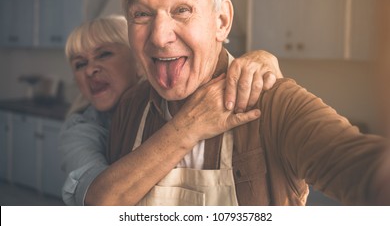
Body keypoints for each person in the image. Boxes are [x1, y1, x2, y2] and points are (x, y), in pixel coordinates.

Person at [107, 0, 390, 206]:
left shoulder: (274, 103)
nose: (159, 37)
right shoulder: (131, 105)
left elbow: (361, 168)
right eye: (141, 14)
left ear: (222, 21)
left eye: (182, 10)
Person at [59, 15, 283, 205]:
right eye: (79, 64)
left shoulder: (175, 101)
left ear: (140, 59)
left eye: (103, 54)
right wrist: (191, 125)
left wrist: (262, 60)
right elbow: (100, 202)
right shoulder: (80, 130)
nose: (90, 70)